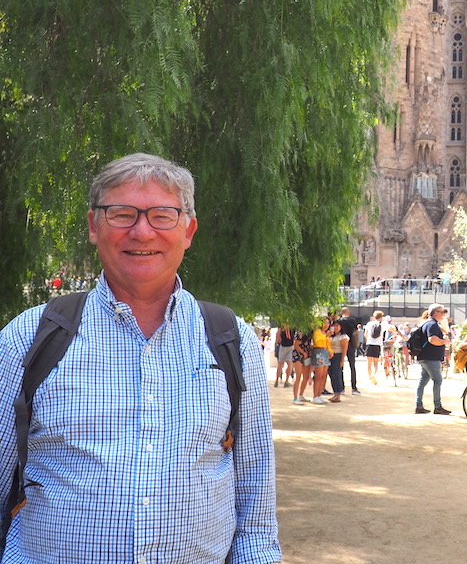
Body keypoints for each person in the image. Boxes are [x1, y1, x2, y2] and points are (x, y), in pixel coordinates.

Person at [0, 153, 280, 563]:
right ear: (94, 226)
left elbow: (254, 498)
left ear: (188, 230)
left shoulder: (230, 339)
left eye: (163, 216)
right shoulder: (31, 337)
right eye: (122, 214)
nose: (142, 232)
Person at [415, 304, 452, 415]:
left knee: (423, 381)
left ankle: (419, 405)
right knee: (438, 380)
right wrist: (444, 341)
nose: (444, 314)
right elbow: (432, 339)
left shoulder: (427, 323)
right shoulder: (432, 324)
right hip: (431, 358)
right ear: (436, 313)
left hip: (425, 357)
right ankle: (437, 406)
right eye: (442, 312)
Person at [338, 307, 362, 395]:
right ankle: (354, 388)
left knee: (340, 366)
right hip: (351, 344)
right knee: (352, 366)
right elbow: (357, 332)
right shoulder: (352, 320)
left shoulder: (339, 321)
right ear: (348, 312)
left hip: (341, 344)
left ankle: (341, 388)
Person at [310, 318, 332, 405]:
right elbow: (318, 342)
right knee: (318, 376)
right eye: (324, 323)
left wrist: (330, 351)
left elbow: (327, 344)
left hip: (325, 353)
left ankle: (319, 395)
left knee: (323, 376)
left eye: (328, 323)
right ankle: (315, 396)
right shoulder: (317, 332)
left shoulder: (325, 333)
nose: (326, 325)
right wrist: (326, 336)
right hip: (319, 352)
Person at [327, 320, 349, 403]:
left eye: (337, 326)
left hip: (338, 355)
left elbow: (344, 349)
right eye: (334, 326)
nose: (335, 327)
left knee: (337, 375)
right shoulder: (331, 336)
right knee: (331, 374)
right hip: (330, 356)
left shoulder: (343, 336)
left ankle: (338, 394)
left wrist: (342, 360)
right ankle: (335, 393)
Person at [364, 310, 386, 385]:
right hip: (377, 345)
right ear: (381, 317)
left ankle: (370, 377)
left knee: (369, 363)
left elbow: (365, 334)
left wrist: (368, 339)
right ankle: (374, 374)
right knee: (376, 363)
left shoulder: (369, 324)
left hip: (369, 344)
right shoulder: (383, 324)